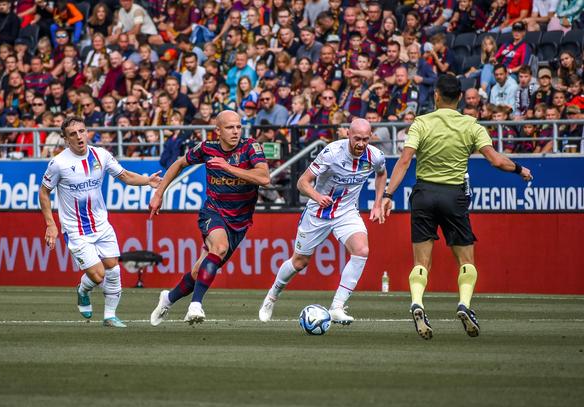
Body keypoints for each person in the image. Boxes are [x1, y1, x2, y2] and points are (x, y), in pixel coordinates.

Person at [380, 75, 533, 340]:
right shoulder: (472, 125)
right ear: (460, 98)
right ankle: (464, 304)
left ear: (436, 95)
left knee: (421, 262)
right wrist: (520, 169)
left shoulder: (421, 123)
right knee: (466, 260)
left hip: (424, 194)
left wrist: (387, 193)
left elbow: (404, 161)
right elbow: (496, 160)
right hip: (454, 196)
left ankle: (417, 302)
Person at [258, 118, 387, 323]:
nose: (361, 144)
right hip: (318, 212)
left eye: (365, 139)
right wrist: (318, 197)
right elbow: (302, 183)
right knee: (299, 262)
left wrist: (379, 202)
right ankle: (272, 296)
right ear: (348, 135)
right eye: (356, 139)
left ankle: (337, 306)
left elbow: (381, 174)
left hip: (346, 212)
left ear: (370, 136)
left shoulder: (375, 156)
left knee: (362, 250)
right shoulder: (332, 153)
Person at [149, 110, 270, 325]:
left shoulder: (251, 147)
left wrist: (228, 168)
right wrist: (159, 193)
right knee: (219, 247)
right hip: (212, 212)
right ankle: (196, 305)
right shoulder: (207, 148)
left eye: (238, 127)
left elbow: (264, 177)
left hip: (240, 222)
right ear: (218, 131)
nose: (235, 131)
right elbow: (179, 164)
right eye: (230, 127)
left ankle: (167, 299)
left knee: (198, 272)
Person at [39, 115, 162, 328]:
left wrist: (147, 181)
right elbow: (44, 193)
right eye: (73, 134)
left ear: (87, 132)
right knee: (98, 275)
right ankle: (83, 289)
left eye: (81, 131)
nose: (79, 137)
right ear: (66, 140)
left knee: (113, 268)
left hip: (101, 225)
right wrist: (50, 224)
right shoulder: (58, 164)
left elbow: (124, 176)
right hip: (75, 229)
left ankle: (110, 316)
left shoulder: (101, 155)